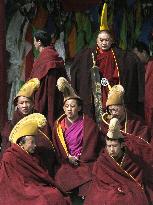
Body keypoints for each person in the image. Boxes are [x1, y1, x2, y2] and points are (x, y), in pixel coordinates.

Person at [71, 3, 145, 121]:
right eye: (101, 40)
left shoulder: (120, 55)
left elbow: (127, 69)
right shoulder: (87, 54)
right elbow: (78, 71)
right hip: (95, 91)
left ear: (112, 41)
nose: (104, 43)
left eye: (107, 40)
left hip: (111, 89)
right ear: (97, 40)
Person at [0, 113, 71, 205]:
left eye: (35, 142)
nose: (35, 145)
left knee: (55, 194)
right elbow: (8, 179)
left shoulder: (34, 155)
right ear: (22, 143)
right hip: (18, 189)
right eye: (32, 143)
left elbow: (39, 175)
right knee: (44, 199)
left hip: (34, 185)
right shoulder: (10, 156)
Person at [84, 118, 153, 205]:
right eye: (109, 146)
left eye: (114, 146)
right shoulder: (102, 160)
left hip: (129, 188)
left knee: (132, 199)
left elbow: (139, 177)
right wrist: (114, 189)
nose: (111, 150)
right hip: (109, 189)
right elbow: (99, 182)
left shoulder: (132, 157)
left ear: (122, 145)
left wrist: (125, 188)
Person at [52, 77, 101, 199]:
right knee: (61, 177)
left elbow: (93, 144)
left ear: (79, 108)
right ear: (63, 108)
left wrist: (80, 157)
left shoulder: (88, 123)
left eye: (72, 106)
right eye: (67, 106)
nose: (69, 109)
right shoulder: (59, 125)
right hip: (67, 160)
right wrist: (67, 157)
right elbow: (57, 147)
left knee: (90, 176)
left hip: (85, 160)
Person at [0, 78, 56, 177]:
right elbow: (6, 150)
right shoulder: (10, 126)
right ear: (17, 105)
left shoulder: (39, 121)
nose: (25, 106)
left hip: (37, 164)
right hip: (17, 165)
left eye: (27, 102)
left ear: (33, 103)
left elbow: (46, 144)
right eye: (21, 103)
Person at [30, 30, 68, 130]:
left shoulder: (44, 57)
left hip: (45, 95)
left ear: (39, 42)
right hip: (57, 95)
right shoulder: (54, 54)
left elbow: (34, 79)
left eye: (34, 41)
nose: (33, 43)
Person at [133, 41, 153, 128]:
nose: (135, 58)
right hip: (146, 106)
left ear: (144, 52)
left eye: (136, 54)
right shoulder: (140, 67)